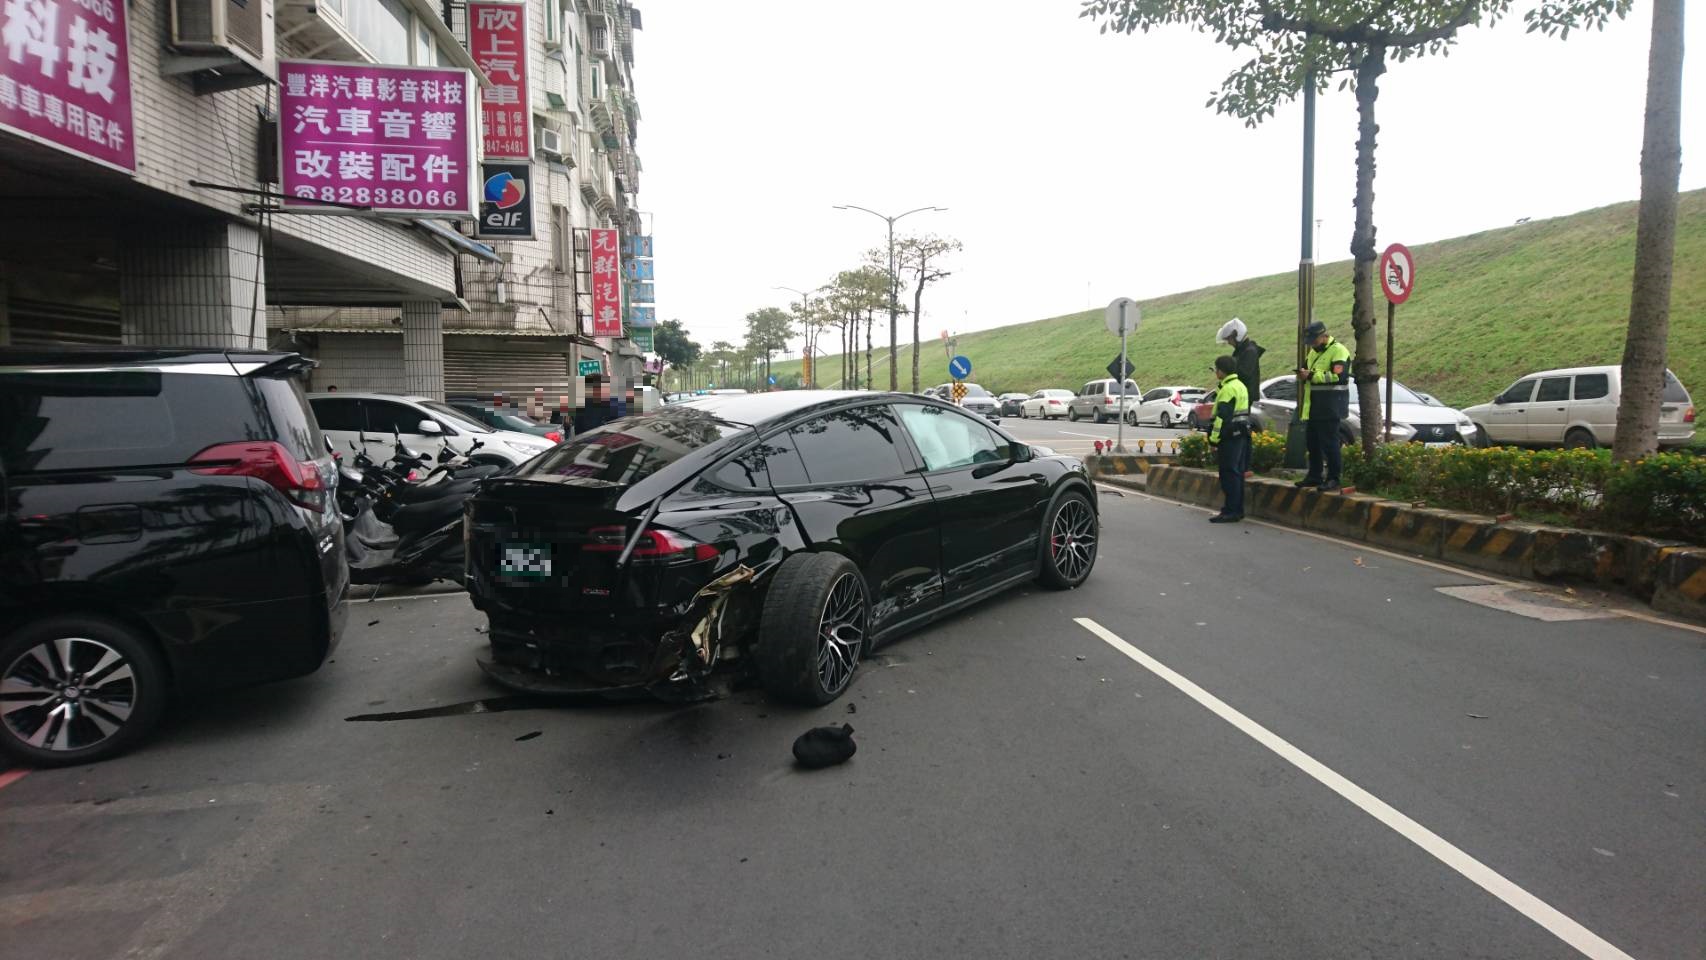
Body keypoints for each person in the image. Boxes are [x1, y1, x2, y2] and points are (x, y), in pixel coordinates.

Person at [1295, 320, 1352, 492]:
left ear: (1324, 336)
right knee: (1312, 443)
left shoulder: (1339, 351)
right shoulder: (1313, 353)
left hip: (1331, 406)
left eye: (1314, 340)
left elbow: (1338, 377)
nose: (1312, 344)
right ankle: (1314, 475)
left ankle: (1334, 478)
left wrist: (1311, 375)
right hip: (1313, 406)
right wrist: (1303, 374)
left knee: (1330, 443)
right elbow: (1308, 370)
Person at [1216, 317, 1264, 476]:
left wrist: (1229, 371)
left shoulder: (1249, 352)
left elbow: (1244, 374)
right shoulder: (1243, 350)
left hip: (1243, 397)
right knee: (1242, 431)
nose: (1229, 342)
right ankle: (1242, 465)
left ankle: (1245, 466)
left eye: (1229, 339)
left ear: (1237, 335)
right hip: (1242, 395)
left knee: (1242, 432)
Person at [1208, 355, 1252, 523]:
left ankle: (1230, 511)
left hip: (1229, 436)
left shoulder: (1227, 389)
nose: (1215, 372)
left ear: (1221, 371)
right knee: (1237, 473)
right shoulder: (1240, 386)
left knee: (1228, 474)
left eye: (1216, 369)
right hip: (1240, 435)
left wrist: (1213, 440)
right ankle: (1237, 509)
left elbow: (1221, 418)